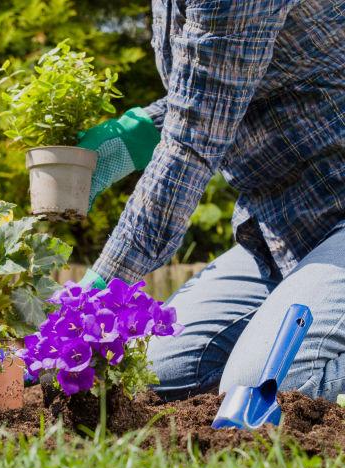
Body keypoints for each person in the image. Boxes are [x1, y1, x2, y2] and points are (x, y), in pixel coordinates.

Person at [76, 0, 345, 401]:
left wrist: (106, 283)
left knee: (266, 389)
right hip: (286, 225)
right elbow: (217, 82)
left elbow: (192, 142)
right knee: (153, 374)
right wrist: (135, 133)